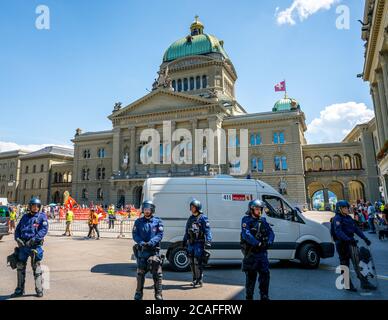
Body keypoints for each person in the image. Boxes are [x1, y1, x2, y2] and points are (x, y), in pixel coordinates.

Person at [332, 200, 376, 291]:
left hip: (351, 243)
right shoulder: (337, 219)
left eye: (347, 207)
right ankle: (347, 285)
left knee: (359, 263)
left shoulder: (348, 218)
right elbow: (338, 231)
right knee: (345, 264)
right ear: (339, 209)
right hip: (342, 244)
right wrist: (348, 239)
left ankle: (364, 283)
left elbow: (356, 229)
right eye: (344, 208)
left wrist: (365, 238)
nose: (347, 209)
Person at [12, 198, 48, 298]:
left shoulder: (42, 217)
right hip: (23, 246)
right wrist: (17, 239)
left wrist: (34, 239)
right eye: (33, 206)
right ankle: (19, 290)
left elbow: (43, 230)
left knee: (36, 268)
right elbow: (18, 229)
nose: (35, 207)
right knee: (20, 267)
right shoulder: (24, 217)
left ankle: (39, 289)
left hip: (34, 246)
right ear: (30, 206)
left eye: (37, 206)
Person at [240, 200, 274, 300]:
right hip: (251, 254)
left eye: (260, 209)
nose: (259, 211)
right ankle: (249, 297)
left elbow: (271, 233)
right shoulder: (246, 220)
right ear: (251, 209)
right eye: (257, 209)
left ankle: (264, 296)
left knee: (265, 275)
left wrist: (269, 242)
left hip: (262, 254)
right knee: (251, 278)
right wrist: (257, 243)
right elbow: (246, 234)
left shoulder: (263, 221)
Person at [132, 200, 164, 300]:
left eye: (148, 209)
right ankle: (138, 293)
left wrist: (151, 242)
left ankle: (158, 294)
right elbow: (135, 234)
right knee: (140, 273)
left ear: (152, 210)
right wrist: (141, 242)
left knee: (157, 274)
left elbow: (160, 235)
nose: (146, 211)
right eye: (145, 209)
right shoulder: (138, 221)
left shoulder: (158, 221)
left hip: (153, 251)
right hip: (142, 252)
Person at [183, 199, 212, 288]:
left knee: (197, 261)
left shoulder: (203, 218)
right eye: (191, 207)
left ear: (197, 208)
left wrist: (208, 241)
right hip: (191, 243)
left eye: (193, 207)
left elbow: (208, 231)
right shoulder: (190, 218)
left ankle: (199, 279)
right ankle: (195, 278)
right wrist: (184, 241)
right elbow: (187, 231)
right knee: (191, 261)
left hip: (199, 243)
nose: (191, 209)